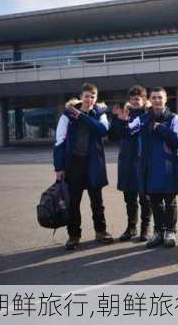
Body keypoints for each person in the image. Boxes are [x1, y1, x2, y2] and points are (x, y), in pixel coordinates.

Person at [53, 83, 113, 250]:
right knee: (73, 203)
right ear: (81, 97)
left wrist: (82, 116)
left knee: (97, 202)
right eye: (87, 96)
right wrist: (59, 168)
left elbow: (102, 130)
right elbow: (59, 142)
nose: (89, 99)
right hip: (73, 164)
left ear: (96, 98)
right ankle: (74, 236)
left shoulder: (99, 114)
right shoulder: (66, 115)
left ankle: (100, 232)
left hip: (94, 163)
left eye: (92, 96)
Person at [123, 87, 178, 249]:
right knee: (155, 201)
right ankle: (158, 231)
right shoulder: (143, 118)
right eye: (154, 97)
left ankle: (170, 231)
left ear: (165, 100)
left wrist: (161, 128)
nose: (157, 100)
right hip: (148, 166)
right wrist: (122, 119)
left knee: (169, 201)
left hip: (168, 166)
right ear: (150, 99)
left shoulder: (173, 118)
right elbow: (127, 131)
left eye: (160, 97)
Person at [109, 85, 152, 242]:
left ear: (144, 100)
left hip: (143, 161)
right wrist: (117, 119)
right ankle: (131, 227)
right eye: (132, 98)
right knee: (129, 198)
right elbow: (112, 136)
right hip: (126, 161)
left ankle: (145, 228)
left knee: (145, 198)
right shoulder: (123, 113)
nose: (135, 101)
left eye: (138, 98)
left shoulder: (148, 115)